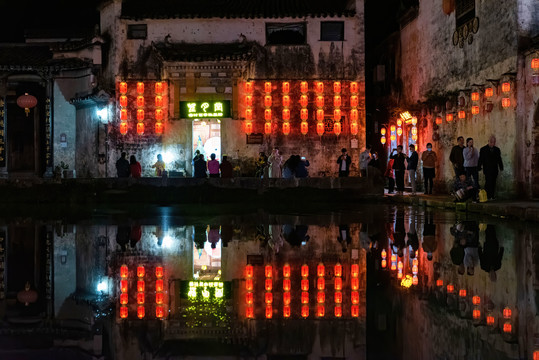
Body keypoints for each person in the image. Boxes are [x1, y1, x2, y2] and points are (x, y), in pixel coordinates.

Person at [478, 135, 503, 200]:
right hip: (487, 169)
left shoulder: (497, 149)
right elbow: (481, 159)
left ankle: (492, 195)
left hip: (494, 169)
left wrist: (501, 166)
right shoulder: (483, 149)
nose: (492, 143)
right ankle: (487, 196)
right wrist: (479, 166)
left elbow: (499, 159)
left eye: (494, 142)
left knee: (493, 182)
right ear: (488, 141)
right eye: (491, 142)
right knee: (488, 182)